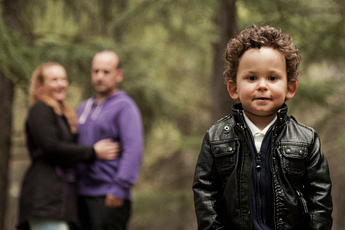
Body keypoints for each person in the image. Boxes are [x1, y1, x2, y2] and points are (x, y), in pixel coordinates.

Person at [192, 25, 333, 230]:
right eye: (251, 78)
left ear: (290, 88)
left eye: (272, 78)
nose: (262, 85)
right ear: (233, 89)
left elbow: (320, 198)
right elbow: (205, 192)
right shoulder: (216, 138)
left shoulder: (306, 139)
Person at [17, 62, 120, 230]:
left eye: (63, 79)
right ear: (39, 85)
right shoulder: (40, 109)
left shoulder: (61, 114)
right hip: (44, 199)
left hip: (60, 202)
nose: (61, 84)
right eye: (54, 79)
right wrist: (93, 152)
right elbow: (51, 147)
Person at [76, 50, 143, 230]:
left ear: (118, 75)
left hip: (108, 196)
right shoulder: (83, 108)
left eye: (106, 72)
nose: (99, 76)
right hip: (79, 195)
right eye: (95, 71)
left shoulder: (125, 106)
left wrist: (120, 188)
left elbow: (133, 149)